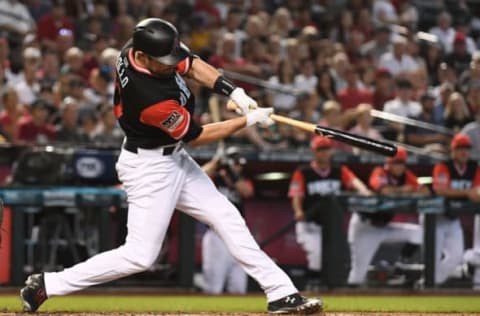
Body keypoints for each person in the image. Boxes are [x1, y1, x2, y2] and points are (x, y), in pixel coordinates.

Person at [20, 18, 322, 314]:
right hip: (149, 168)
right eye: (163, 61)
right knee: (139, 256)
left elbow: (191, 64)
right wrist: (247, 121)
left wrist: (234, 92)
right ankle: (47, 284)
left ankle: (281, 292)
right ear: (141, 56)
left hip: (174, 158)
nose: (170, 64)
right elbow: (197, 136)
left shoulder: (136, 48)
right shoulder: (148, 97)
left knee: (226, 217)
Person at [288, 136, 371, 289]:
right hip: (310, 222)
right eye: (320, 150)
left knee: (334, 258)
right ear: (314, 152)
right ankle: (312, 285)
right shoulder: (303, 171)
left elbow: (354, 182)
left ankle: (323, 286)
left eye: (326, 149)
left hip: (330, 226)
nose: (324, 153)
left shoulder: (339, 170)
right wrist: (298, 211)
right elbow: (296, 195)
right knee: (317, 256)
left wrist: (364, 191)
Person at [347, 147, 430, 286]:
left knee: (419, 233)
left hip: (384, 226)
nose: (398, 166)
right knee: (357, 275)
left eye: (401, 162)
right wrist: (405, 191)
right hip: (365, 227)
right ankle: (345, 303)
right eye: (395, 162)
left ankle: (401, 264)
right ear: (389, 163)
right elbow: (385, 191)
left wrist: (408, 191)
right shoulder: (380, 172)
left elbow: (425, 192)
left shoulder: (406, 175)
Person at [201, 146, 253, 294]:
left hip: (237, 235)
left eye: (239, 165)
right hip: (216, 235)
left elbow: (247, 191)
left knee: (238, 286)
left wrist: (230, 171)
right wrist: (215, 163)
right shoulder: (215, 179)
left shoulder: (243, 180)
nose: (239, 168)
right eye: (235, 164)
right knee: (213, 286)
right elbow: (198, 174)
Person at [431, 133, 480, 285]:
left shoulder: (473, 167)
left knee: (456, 257)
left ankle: (431, 283)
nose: (464, 152)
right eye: (460, 148)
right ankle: (428, 282)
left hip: (453, 220)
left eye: (466, 148)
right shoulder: (443, 166)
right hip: (435, 218)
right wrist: (467, 192)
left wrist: (475, 192)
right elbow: (440, 190)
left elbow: (477, 190)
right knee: (432, 257)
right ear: (453, 150)